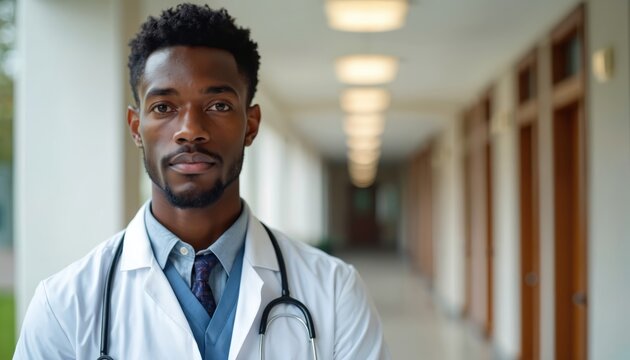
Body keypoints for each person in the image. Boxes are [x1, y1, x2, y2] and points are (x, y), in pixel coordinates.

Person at [13, 3, 389, 359]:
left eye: (218, 106)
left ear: (251, 124)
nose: (190, 130)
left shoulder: (336, 291)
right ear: (136, 128)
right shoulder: (64, 306)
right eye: (163, 107)